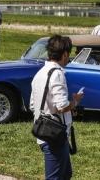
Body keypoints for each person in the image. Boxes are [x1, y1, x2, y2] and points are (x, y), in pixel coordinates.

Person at [29, 35, 83, 180]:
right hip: (54, 135)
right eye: (69, 54)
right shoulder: (57, 74)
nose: (69, 58)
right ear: (64, 54)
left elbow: (32, 104)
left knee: (65, 174)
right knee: (55, 177)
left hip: (45, 131)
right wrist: (75, 102)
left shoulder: (39, 73)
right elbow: (61, 106)